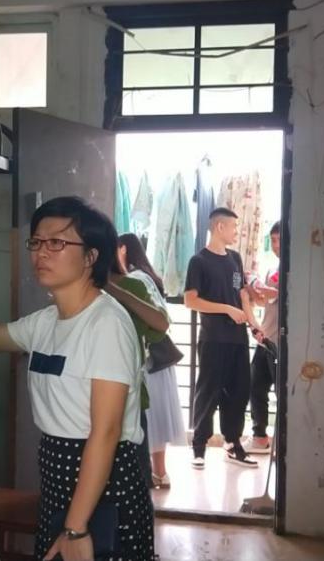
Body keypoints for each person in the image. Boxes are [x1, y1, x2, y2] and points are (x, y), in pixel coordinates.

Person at [0, 197, 155, 561]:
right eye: (36, 241)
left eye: (57, 242)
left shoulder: (106, 323)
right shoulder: (45, 322)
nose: (41, 252)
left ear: (90, 256)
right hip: (58, 476)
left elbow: (106, 432)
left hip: (104, 483)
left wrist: (76, 526)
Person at [184, 208, 263, 469]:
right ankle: (199, 447)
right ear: (220, 227)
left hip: (238, 340)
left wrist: (254, 325)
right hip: (213, 339)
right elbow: (190, 300)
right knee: (208, 392)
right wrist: (226, 309)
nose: (236, 232)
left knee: (239, 392)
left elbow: (242, 296)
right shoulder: (198, 261)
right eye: (233, 227)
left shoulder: (235, 258)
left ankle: (233, 444)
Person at [118, 233, 186, 488]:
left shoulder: (133, 280)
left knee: (148, 417)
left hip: (148, 358)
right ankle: (160, 472)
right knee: (157, 416)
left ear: (123, 249)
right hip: (159, 357)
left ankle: (150, 474)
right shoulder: (149, 276)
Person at [105, 239, 171, 490]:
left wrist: (114, 289)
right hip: (112, 397)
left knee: (133, 479)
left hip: (129, 396)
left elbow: (161, 324)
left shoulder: (133, 283)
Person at [245, 221, 281, 455]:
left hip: (281, 342)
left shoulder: (294, 267)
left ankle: (283, 443)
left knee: (281, 392)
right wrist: (252, 288)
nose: (276, 245)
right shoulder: (272, 269)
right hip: (265, 338)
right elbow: (262, 301)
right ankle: (260, 437)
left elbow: (279, 295)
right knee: (255, 387)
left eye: (279, 240)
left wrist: (266, 290)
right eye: (273, 240)